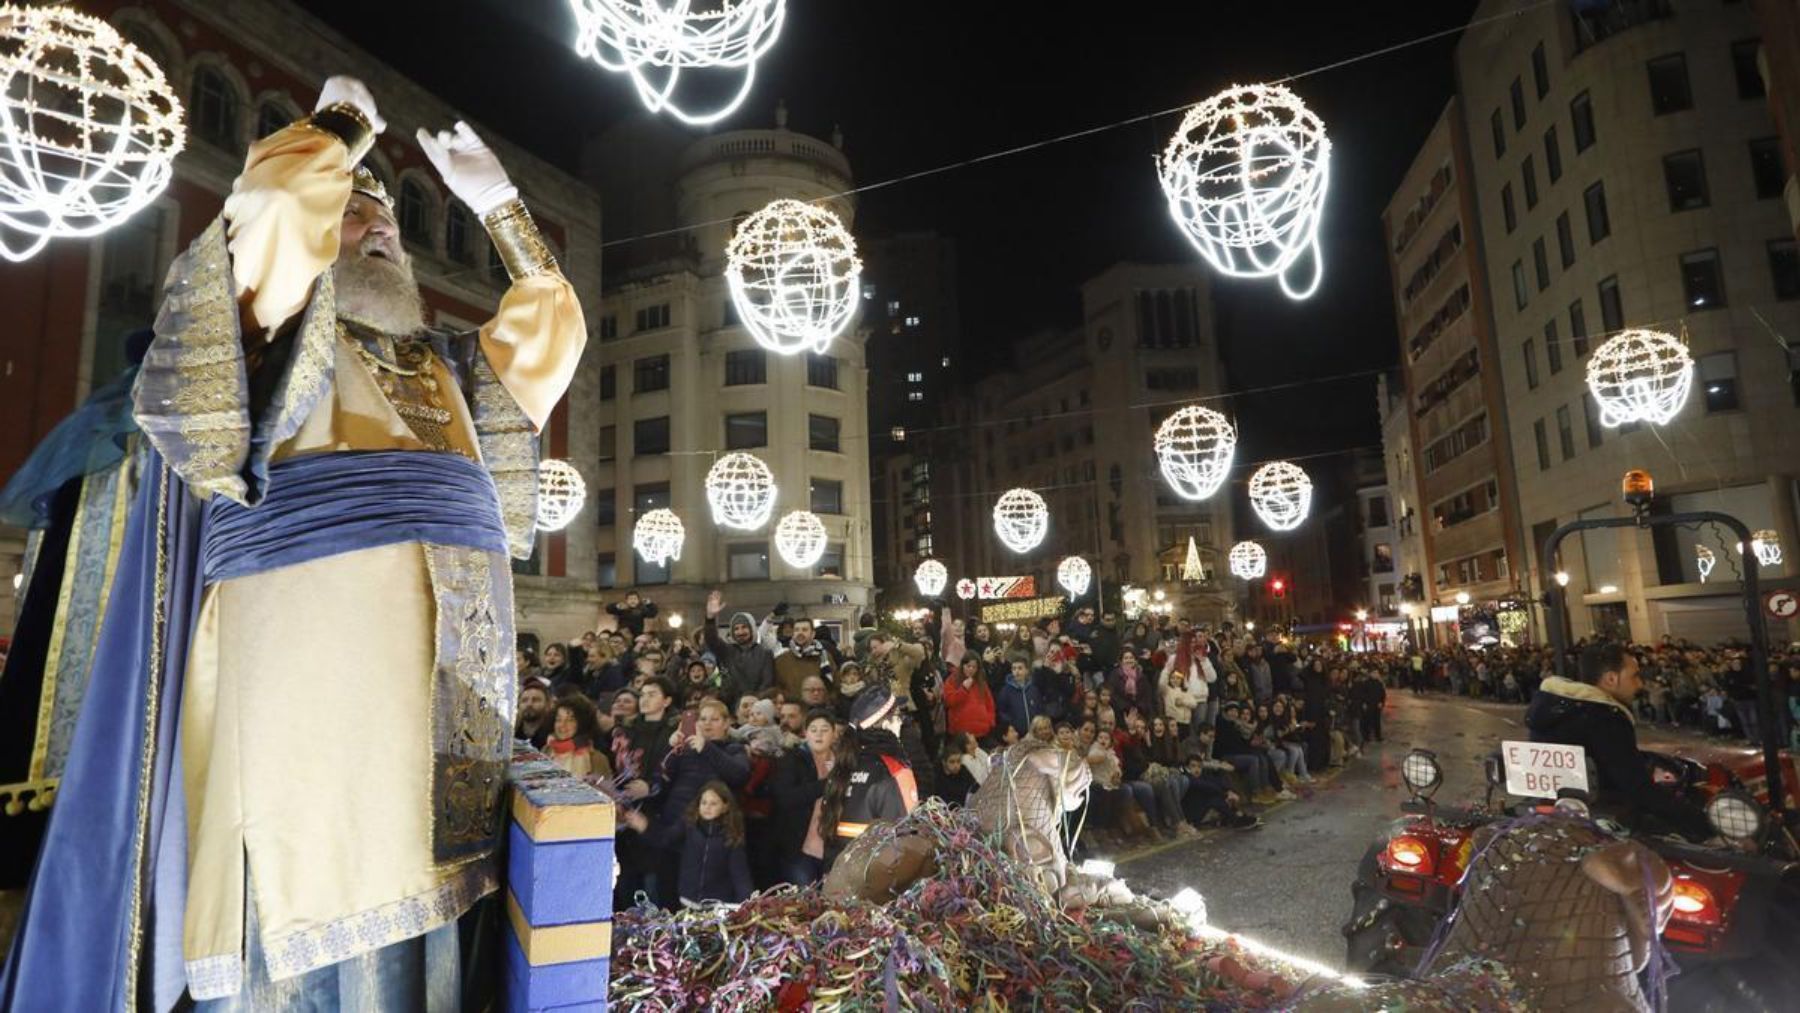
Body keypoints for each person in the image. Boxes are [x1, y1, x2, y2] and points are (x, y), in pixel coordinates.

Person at [2, 76, 585, 1008]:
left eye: (388, 222)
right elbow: (268, 208)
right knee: (309, 910)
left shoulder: (456, 367)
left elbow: (553, 329)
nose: (380, 230)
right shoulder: (273, 336)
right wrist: (341, 131)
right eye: (355, 214)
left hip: (448, 714)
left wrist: (497, 207)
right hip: (310, 706)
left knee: (431, 921)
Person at [1526, 642, 1712, 841]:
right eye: (1634, 676)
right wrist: (1704, 824)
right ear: (1611, 679)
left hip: (1563, 816)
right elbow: (1637, 788)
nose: (1639, 684)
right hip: (1609, 824)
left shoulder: (1553, 710)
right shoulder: (1604, 718)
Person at [819, 685, 919, 867]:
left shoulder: (842, 766)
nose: (902, 722)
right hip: (875, 881)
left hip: (837, 877)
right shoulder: (894, 769)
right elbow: (905, 839)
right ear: (886, 723)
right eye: (899, 716)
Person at [624, 781, 752, 905]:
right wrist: (645, 827)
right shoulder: (689, 824)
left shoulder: (731, 836)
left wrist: (747, 904)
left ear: (725, 807)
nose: (707, 807)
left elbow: (740, 876)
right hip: (687, 900)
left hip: (716, 904)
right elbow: (665, 838)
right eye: (704, 802)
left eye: (713, 803)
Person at [703, 591, 775, 698]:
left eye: (744, 627)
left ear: (752, 629)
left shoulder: (764, 653)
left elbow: (767, 683)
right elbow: (711, 639)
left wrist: (753, 702)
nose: (740, 632)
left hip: (756, 707)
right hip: (731, 706)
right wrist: (710, 619)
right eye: (736, 629)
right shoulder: (727, 651)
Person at [547, 695, 612, 780]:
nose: (562, 725)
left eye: (570, 720)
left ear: (583, 723)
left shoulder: (597, 759)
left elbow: (605, 791)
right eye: (558, 719)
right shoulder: (547, 749)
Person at [516, 678, 554, 749]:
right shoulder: (511, 735)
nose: (529, 704)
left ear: (548, 705)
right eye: (524, 700)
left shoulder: (553, 735)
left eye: (536, 700)